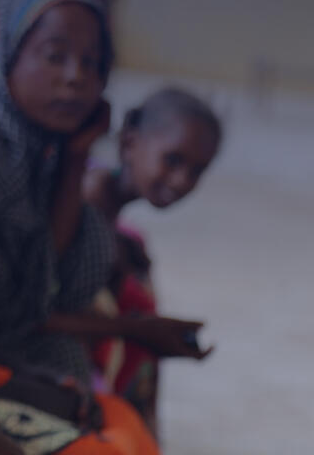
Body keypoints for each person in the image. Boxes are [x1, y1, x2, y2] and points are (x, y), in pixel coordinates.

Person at [0, 0, 161, 454]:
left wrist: (73, 162)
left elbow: (59, 284)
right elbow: (6, 311)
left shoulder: (35, 142)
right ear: (4, 50)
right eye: (55, 55)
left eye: (93, 64)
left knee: (125, 430)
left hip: (12, 343)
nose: (76, 77)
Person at [83, 87, 221, 428]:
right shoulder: (90, 198)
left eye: (197, 171)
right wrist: (141, 332)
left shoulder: (116, 214)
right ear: (130, 143)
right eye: (173, 160)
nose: (182, 181)